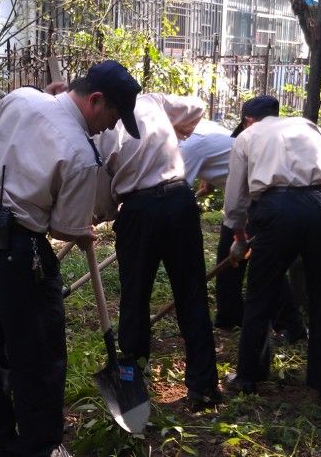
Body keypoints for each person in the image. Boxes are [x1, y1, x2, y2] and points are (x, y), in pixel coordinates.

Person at [0, 60, 141, 457]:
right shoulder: (80, 153)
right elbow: (62, 228)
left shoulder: (22, 98)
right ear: (95, 100)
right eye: (113, 116)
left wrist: (45, 100)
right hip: (20, 253)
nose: (111, 128)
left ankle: (2, 447)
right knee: (38, 356)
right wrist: (82, 229)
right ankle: (42, 449)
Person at [93, 93, 222, 409]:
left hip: (138, 210)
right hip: (180, 201)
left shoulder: (98, 127)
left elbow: (102, 202)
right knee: (192, 296)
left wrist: (102, 214)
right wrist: (178, 132)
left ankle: (132, 386)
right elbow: (196, 108)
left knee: (134, 300)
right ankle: (203, 388)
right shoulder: (153, 101)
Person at [223, 96, 321, 412]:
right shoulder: (308, 126)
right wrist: (314, 211)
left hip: (274, 211)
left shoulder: (247, 137)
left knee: (259, 296)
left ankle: (248, 378)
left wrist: (240, 238)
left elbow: (235, 202)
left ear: (248, 120)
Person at [178, 114, 308, 343]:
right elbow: (223, 152)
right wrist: (210, 178)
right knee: (227, 260)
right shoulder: (198, 129)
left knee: (264, 265)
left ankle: (291, 327)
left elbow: (176, 189)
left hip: (258, 201)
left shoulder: (188, 146)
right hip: (244, 198)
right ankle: (229, 316)